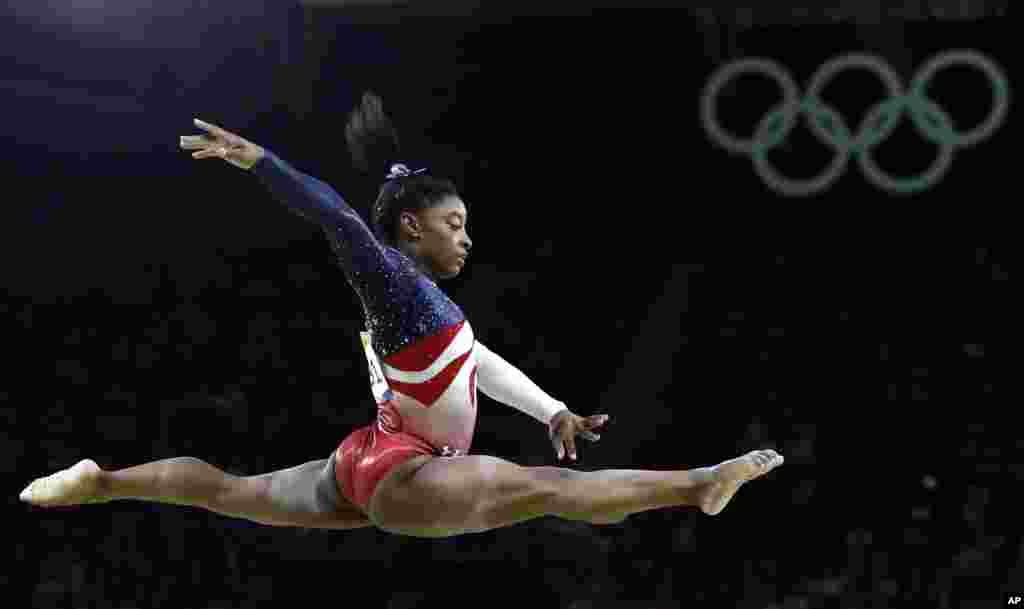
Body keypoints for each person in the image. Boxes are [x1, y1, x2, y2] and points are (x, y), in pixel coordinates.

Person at [20, 93, 783, 538]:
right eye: (456, 223)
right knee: (548, 488)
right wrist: (262, 162)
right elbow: (340, 220)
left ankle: (101, 480)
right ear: (412, 229)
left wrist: (553, 407)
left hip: (370, 459)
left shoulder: (423, 308)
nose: (468, 236)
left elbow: (474, 361)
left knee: (231, 490)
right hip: (405, 471)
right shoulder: (392, 279)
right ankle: (699, 482)